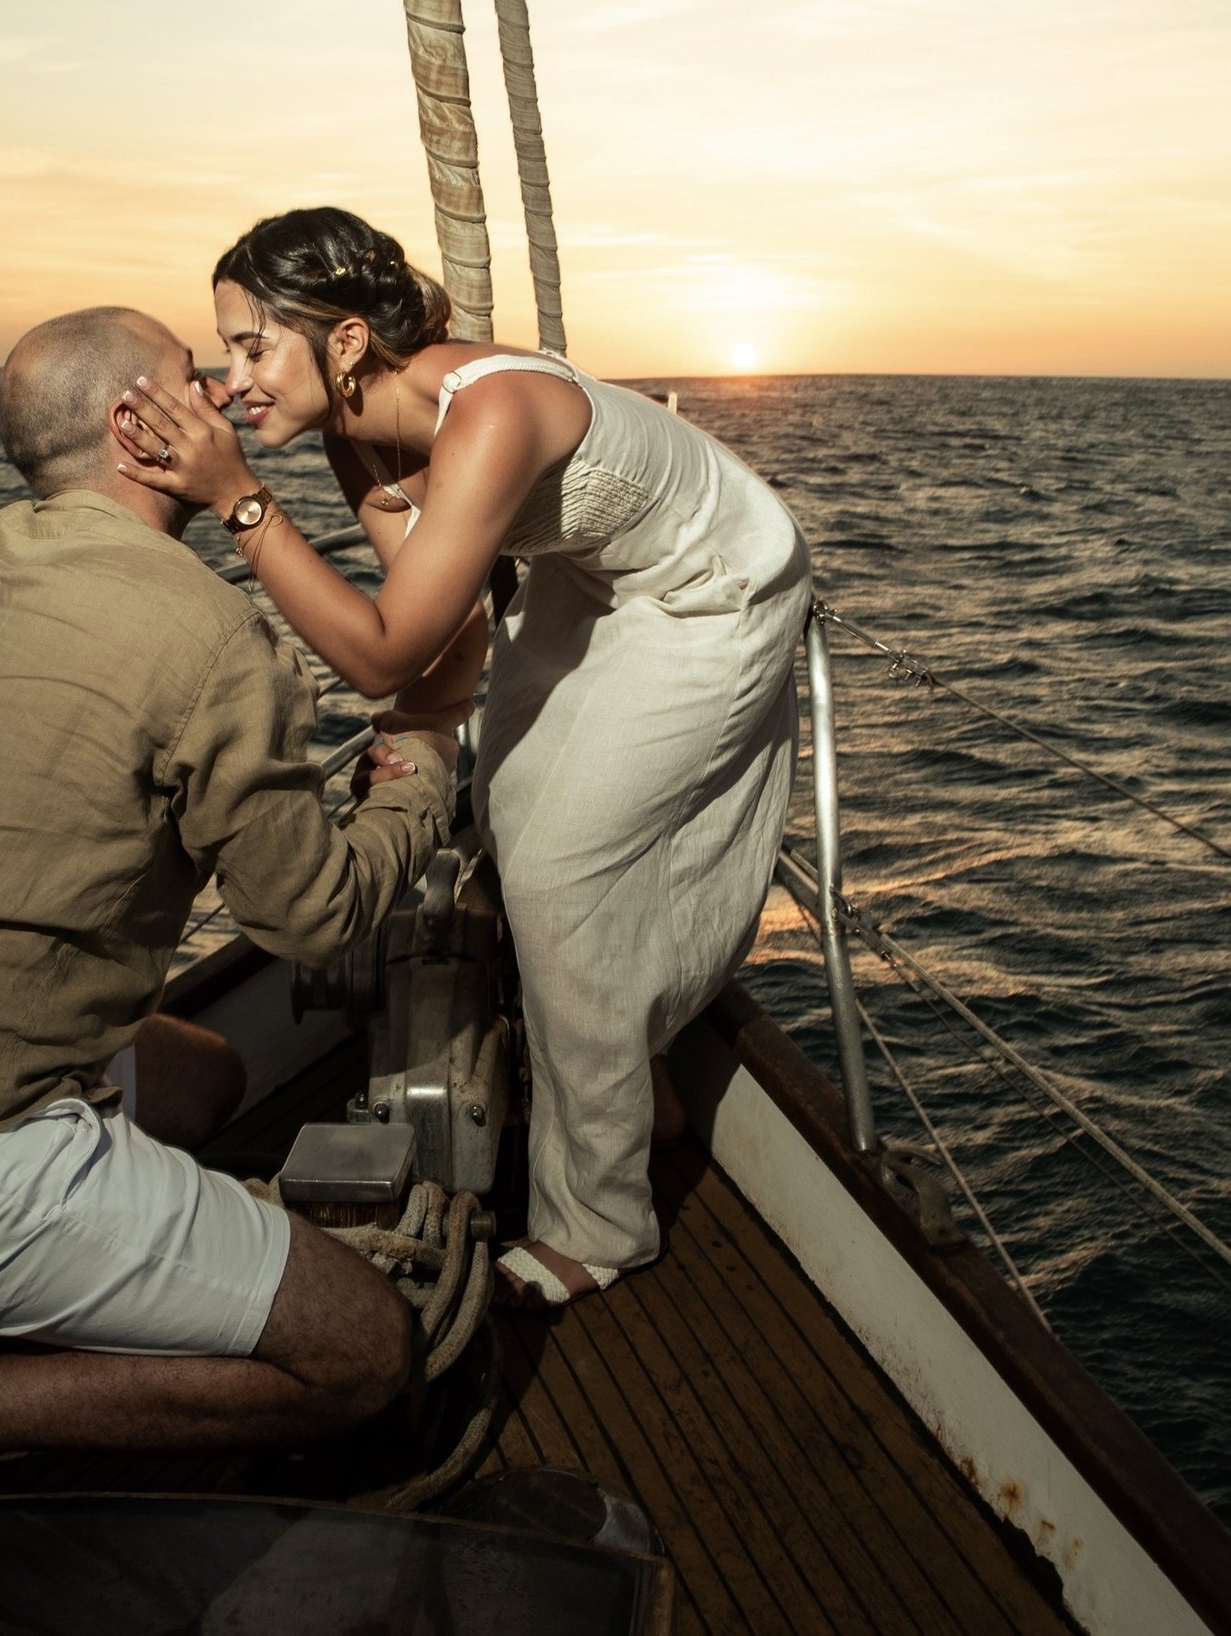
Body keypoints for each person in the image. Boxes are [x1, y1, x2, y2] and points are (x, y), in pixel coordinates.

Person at [0, 305, 458, 1557]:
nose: (224, 394)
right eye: (193, 379)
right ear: (138, 425)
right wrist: (417, 792)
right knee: (362, 1353)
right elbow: (313, 916)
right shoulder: (211, 633)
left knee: (205, 1076)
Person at [114, 209, 812, 1308]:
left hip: (710, 588)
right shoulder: (359, 430)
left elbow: (383, 646)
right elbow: (438, 637)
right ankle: (640, 1078)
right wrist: (421, 731)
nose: (230, 380)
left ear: (346, 343)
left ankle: (604, 1225)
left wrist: (238, 500)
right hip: (592, 575)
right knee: (514, 813)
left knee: (560, 876)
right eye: (226, 351)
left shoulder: (488, 413)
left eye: (253, 347)